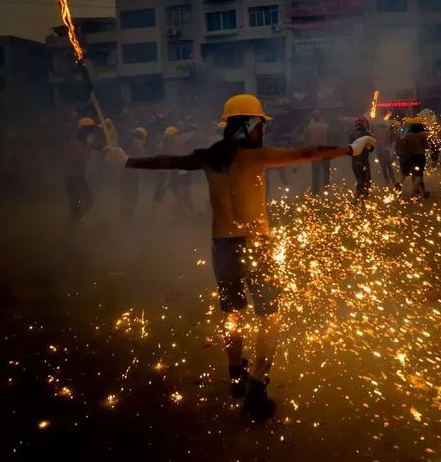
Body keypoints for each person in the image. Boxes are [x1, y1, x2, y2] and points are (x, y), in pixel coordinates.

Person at [124, 94, 376, 421]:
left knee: (233, 313)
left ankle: (235, 374)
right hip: (256, 245)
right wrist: (351, 148)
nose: (262, 131)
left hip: (222, 247)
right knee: (270, 316)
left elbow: (166, 161)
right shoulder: (257, 157)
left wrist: (127, 161)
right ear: (247, 126)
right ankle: (258, 385)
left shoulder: (207, 157)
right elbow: (308, 153)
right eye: (259, 124)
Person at [64, 117, 102, 228]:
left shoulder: (79, 143)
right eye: (90, 131)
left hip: (76, 178)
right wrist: (88, 146)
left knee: (78, 204)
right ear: (84, 131)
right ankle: (72, 224)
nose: (92, 134)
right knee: (85, 201)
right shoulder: (75, 144)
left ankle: (72, 226)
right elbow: (82, 158)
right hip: (73, 178)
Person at [395, 116, 429, 199]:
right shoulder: (423, 134)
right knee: (419, 175)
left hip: (410, 156)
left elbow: (404, 146)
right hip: (420, 156)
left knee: (414, 174)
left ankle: (422, 192)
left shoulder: (407, 135)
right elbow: (426, 146)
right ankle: (414, 192)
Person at [119, 126, 148, 224]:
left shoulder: (129, 142)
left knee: (126, 196)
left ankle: (125, 218)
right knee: (131, 196)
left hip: (125, 171)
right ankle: (128, 220)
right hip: (131, 172)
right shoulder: (137, 143)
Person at [303, 109, 331, 194]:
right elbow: (329, 139)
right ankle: (327, 188)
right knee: (326, 170)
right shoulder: (326, 126)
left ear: (313, 118)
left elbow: (306, 140)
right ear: (321, 117)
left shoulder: (308, 128)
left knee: (315, 171)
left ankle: (315, 191)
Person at [349, 116, 374, 204]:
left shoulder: (351, 134)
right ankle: (362, 203)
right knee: (366, 182)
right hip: (363, 161)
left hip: (354, 161)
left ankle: (355, 200)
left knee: (359, 180)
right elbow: (371, 149)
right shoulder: (367, 135)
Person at [371, 114, 396, 186]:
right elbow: (391, 140)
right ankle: (393, 180)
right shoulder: (387, 131)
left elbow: (373, 140)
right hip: (386, 150)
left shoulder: (375, 132)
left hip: (379, 151)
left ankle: (387, 181)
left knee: (383, 167)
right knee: (389, 165)